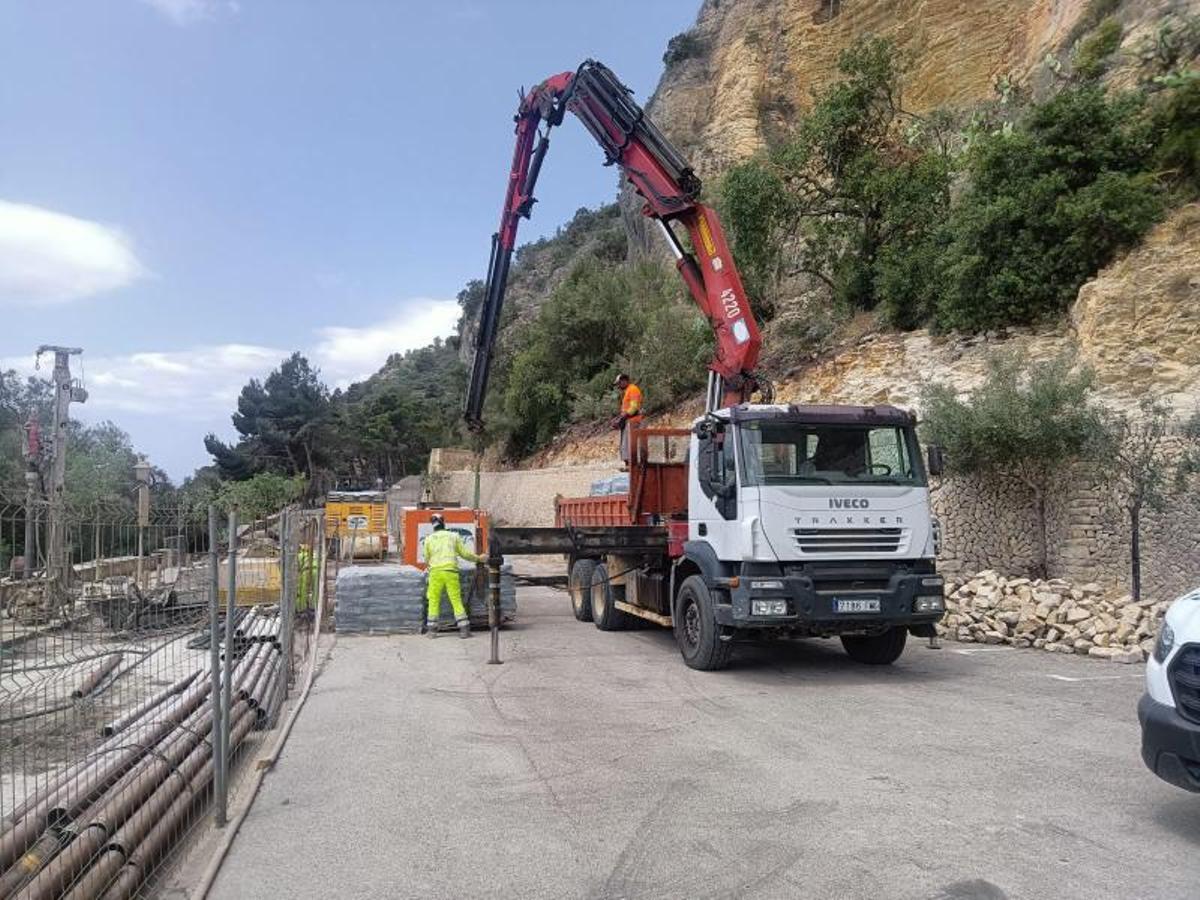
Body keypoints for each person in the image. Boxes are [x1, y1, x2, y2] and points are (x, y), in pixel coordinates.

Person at [421, 514, 483, 638]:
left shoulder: (428, 539)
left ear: (432, 526)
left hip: (435, 573)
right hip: (450, 572)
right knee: (456, 600)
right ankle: (464, 630)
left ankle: (432, 632)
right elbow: (465, 554)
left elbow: (426, 558)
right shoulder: (453, 536)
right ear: (444, 523)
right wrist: (479, 558)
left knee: (433, 600)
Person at [611, 373, 644, 468]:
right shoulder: (628, 391)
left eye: (619, 383)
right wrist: (619, 418)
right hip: (628, 420)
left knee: (629, 443)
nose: (618, 386)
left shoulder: (633, 389)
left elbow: (634, 407)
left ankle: (632, 466)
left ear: (625, 381)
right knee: (626, 444)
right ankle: (628, 465)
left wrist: (622, 417)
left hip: (633, 421)